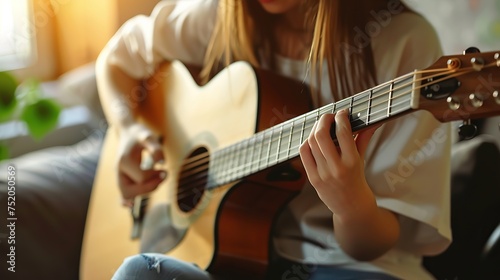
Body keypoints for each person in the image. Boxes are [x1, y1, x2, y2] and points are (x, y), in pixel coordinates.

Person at [96, 0, 452, 279]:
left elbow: (371, 247)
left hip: (350, 267)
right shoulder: (220, 16)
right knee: (138, 273)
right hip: (235, 260)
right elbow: (115, 60)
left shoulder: (404, 41)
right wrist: (128, 128)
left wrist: (350, 204)